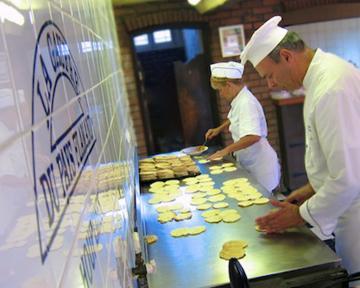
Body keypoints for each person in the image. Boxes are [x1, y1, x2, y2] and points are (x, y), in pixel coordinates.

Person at [240, 16, 360, 286]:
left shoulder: (332, 89)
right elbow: (345, 157)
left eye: (269, 76)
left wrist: (299, 215)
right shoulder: (323, 76)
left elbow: (349, 178)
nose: (270, 84)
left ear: (285, 56)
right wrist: (307, 191)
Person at [205, 61, 280, 192]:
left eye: (220, 90)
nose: (221, 95)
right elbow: (236, 118)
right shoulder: (240, 99)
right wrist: (219, 129)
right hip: (250, 160)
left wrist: (225, 151)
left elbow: (253, 136)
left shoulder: (246, 103)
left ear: (228, 85)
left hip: (260, 166)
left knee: (264, 205)